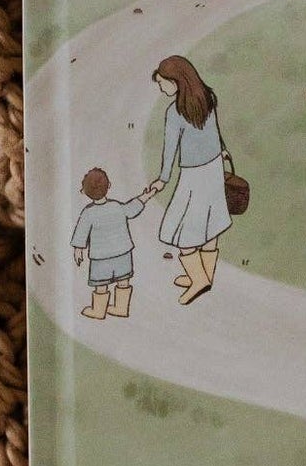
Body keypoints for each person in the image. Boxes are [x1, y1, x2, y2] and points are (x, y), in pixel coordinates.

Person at [147, 54, 232, 306]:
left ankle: (199, 280)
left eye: (162, 83)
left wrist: (162, 180)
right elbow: (214, 130)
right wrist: (222, 150)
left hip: (194, 174)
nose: (161, 88)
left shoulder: (175, 113)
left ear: (176, 81)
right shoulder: (207, 97)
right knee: (210, 222)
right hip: (214, 168)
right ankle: (204, 275)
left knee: (182, 228)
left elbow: (170, 150)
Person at [69, 166, 160, 319]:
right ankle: (121, 308)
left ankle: (99, 311)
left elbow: (81, 233)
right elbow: (133, 208)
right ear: (109, 186)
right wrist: (148, 195)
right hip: (123, 253)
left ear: (84, 191)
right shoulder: (117, 206)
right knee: (123, 281)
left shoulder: (88, 213)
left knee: (101, 285)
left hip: (100, 258)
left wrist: (78, 250)